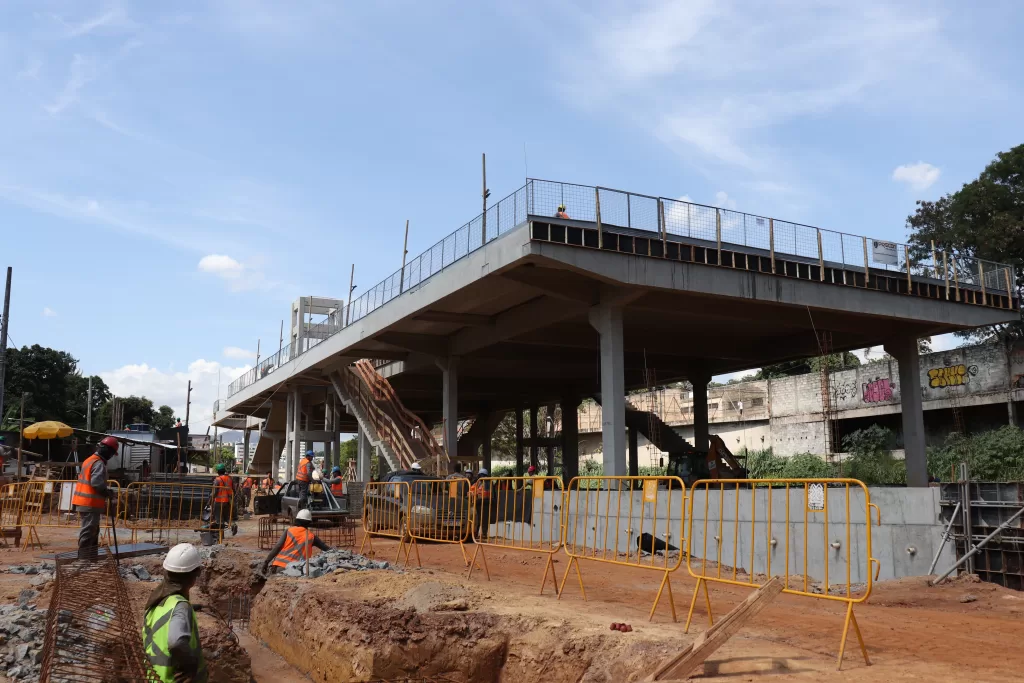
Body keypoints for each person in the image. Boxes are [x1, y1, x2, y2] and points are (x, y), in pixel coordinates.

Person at [143, 543, 207, 683]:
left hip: (155, 677)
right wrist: (190, 664)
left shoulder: (156, 602)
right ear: (193, 576)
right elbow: (176, 642)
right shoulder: (180, 607)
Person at [73, 436, 119, 558]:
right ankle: (83, 560)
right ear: (106, 449)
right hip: (89, 503)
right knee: (88, 532)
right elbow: (97, 483)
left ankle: (92, 559)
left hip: (86, 502)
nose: (111, 456)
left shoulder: (89, 460)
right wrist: (107, 492)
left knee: (93, 532)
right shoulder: (98, 463)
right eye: (111, 453)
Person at [260, 510, 330, 574]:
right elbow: (326, 548)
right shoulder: (311, 536)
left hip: (278, 567)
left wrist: (266, 562)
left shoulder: (289, 531)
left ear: (297, 520)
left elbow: (278, 546)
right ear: (309, 522)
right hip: (295, 570)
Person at [210, 464, 237, 536]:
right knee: (227, 517)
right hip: (227, 501)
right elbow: (233, 490)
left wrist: (210, 500)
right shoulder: (229, 479)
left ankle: (221, 536)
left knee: (219, 519)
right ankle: (233, 525)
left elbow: (215, 492)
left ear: (218, 471)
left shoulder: (217, 479)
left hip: (218, 502)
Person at [470, 468, 491, 541]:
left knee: (480, 519)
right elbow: (472, 490)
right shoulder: (480, 483)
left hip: (483, 502)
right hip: (482, 502)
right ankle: (480, 534)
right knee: (481, 519)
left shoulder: (482, 483)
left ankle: (479, 534)